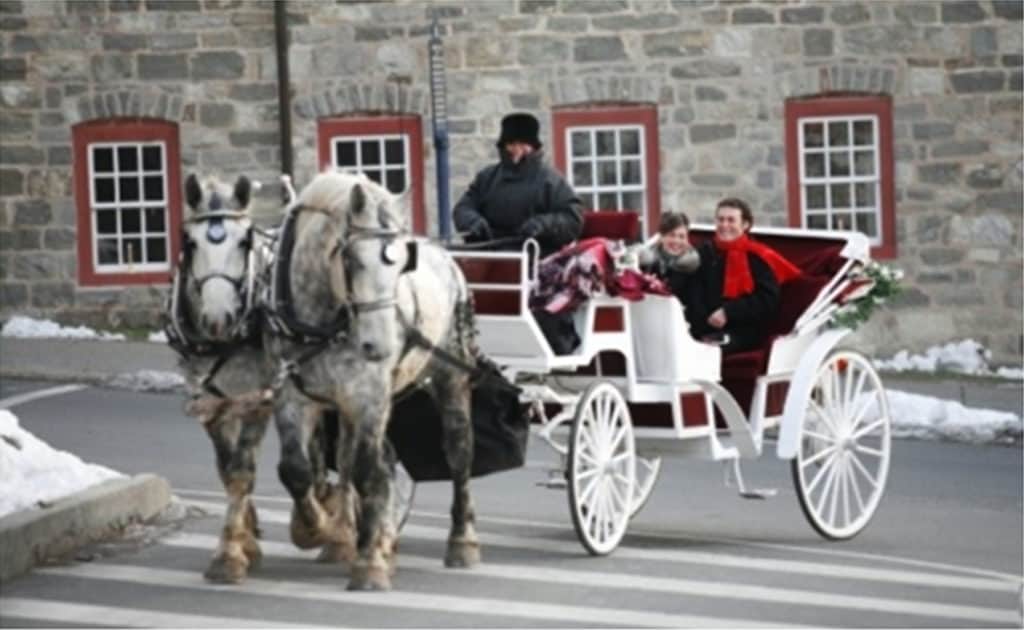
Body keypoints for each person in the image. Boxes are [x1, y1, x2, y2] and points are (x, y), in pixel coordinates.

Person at [453, 112, 583, 256]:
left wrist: (543, 224)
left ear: (533, 146)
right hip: (489, 254)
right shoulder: (487, 177)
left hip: (535, 258)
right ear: (504, 146)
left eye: (522, 144)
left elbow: (573, 218)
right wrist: (472, 221)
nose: (516, 150)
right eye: (511, 144)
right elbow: (463, 207)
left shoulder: (551, 180)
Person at [684, 198, 800, 354]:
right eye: (721, 219)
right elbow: (692, 289)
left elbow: (767, 299)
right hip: (702, 326)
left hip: (744, 330)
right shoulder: (703, 253)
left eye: (731, 220)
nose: (725, 225)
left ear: (745, 225)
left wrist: (728, 312)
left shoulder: (758, 256)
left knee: (705, 353)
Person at [634, 211, 700, 300]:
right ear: (661, 236)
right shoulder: (647, 263)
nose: (676, 241)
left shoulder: (693, 265)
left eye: (681, 236)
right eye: (672, 235)